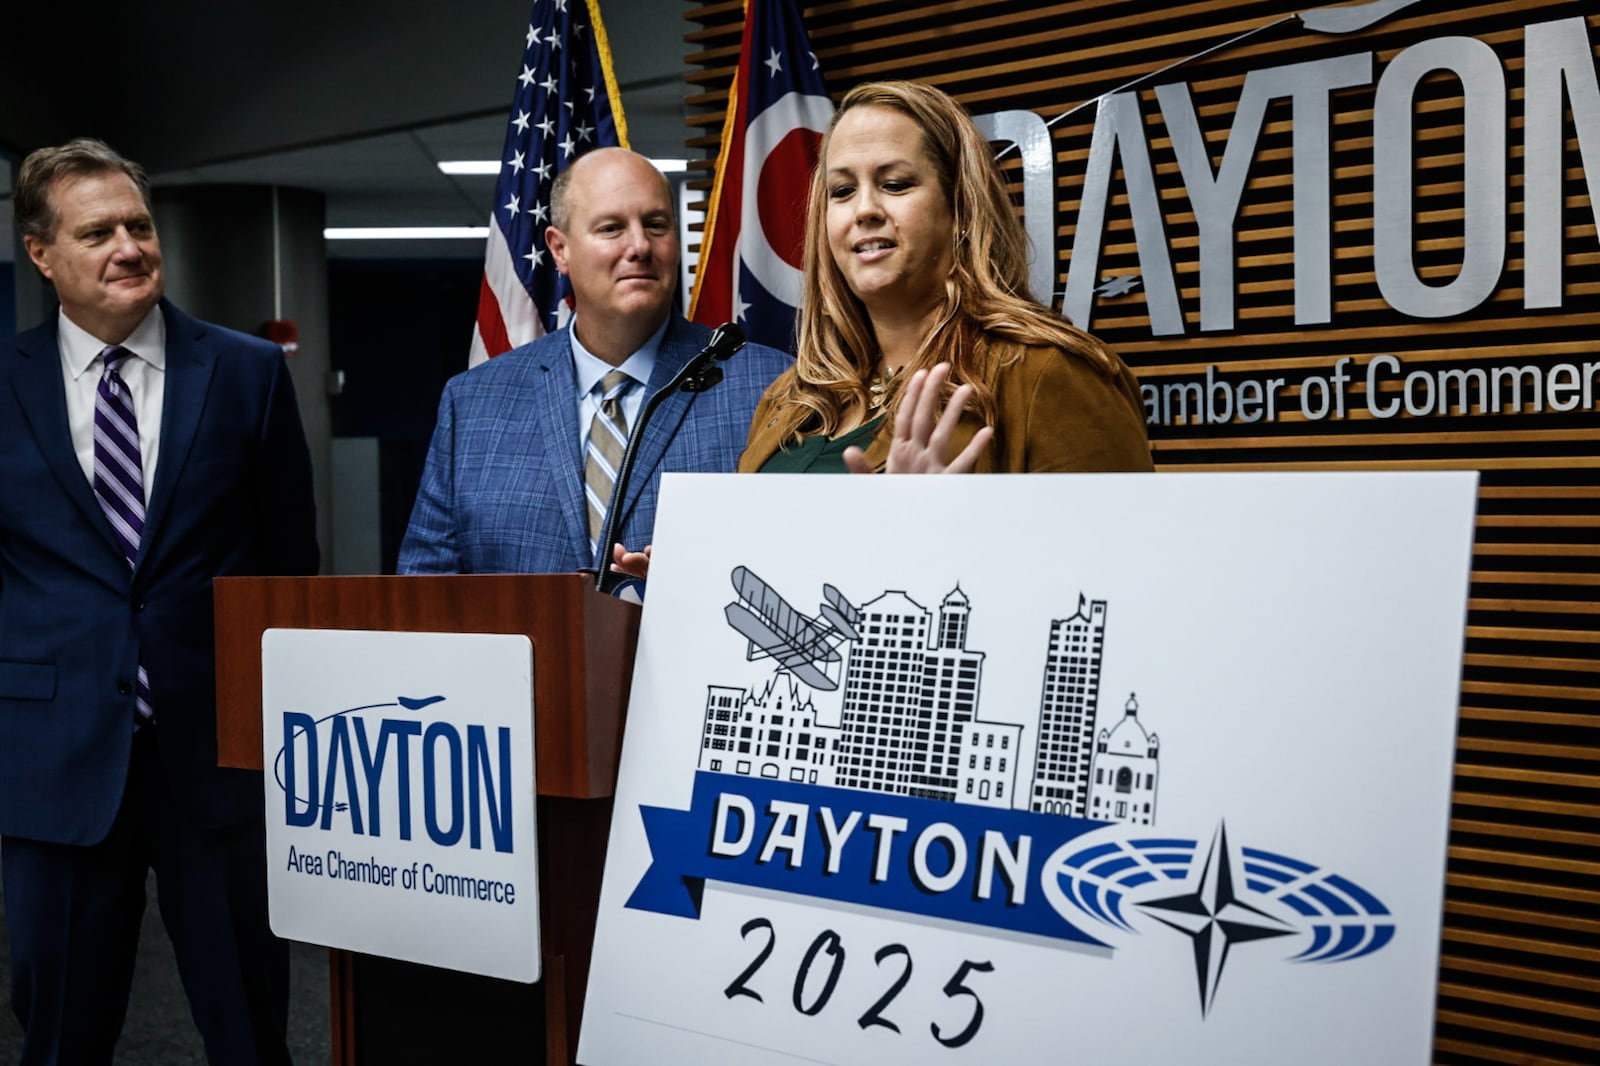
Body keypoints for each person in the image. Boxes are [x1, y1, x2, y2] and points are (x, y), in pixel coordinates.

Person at [0, 139, 317, 1063]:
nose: (128, 247)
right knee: (61, 1034)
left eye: (138, 225)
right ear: (42, 253)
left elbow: (289, 570)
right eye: (96, 232)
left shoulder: (249, 374)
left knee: (250, 1029)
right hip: (54, 764)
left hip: (215, 759)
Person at [610, 81, 1151, 580]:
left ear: (960, 208)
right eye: (842, 192)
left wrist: (947, 538)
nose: (865, 210)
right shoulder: (791, 399)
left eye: (894, 184)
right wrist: (706, 582)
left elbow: (1116, 588)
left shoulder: (1050, 374)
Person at [399, 147, 791, 576]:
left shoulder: (768, 386)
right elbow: (426, 588)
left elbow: (795, 560)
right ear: (560, 249)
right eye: (612, 228)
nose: (640, 245)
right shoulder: (473, 403)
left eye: (656, 225)